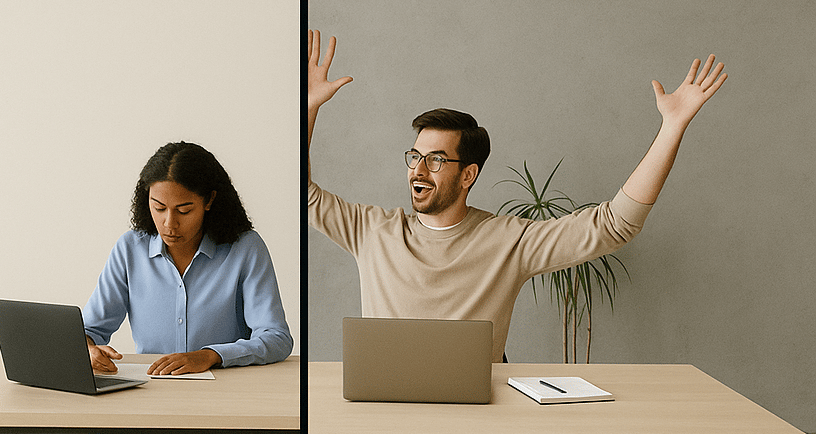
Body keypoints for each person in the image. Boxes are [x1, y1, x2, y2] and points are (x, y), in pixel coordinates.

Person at [306, 30, 728, 363]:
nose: (417, 170)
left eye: (435, 160)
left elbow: (615, 225)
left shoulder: (509, 240)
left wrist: (672, 127)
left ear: (468, 174)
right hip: (385, 413)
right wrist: (307, 108)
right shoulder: (370, 230)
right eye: (414, 157)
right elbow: (301, 192)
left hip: (478, 415)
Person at [84, 141, 293, 375]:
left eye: (184, 210)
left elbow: (277, 338)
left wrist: (210, 356)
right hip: (153, 390)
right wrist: (87, 348)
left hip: (228, 391)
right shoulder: (130, 249)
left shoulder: (245, 248)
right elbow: (88, 330)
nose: (169, 223)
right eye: (159, 208)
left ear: (209, 201)